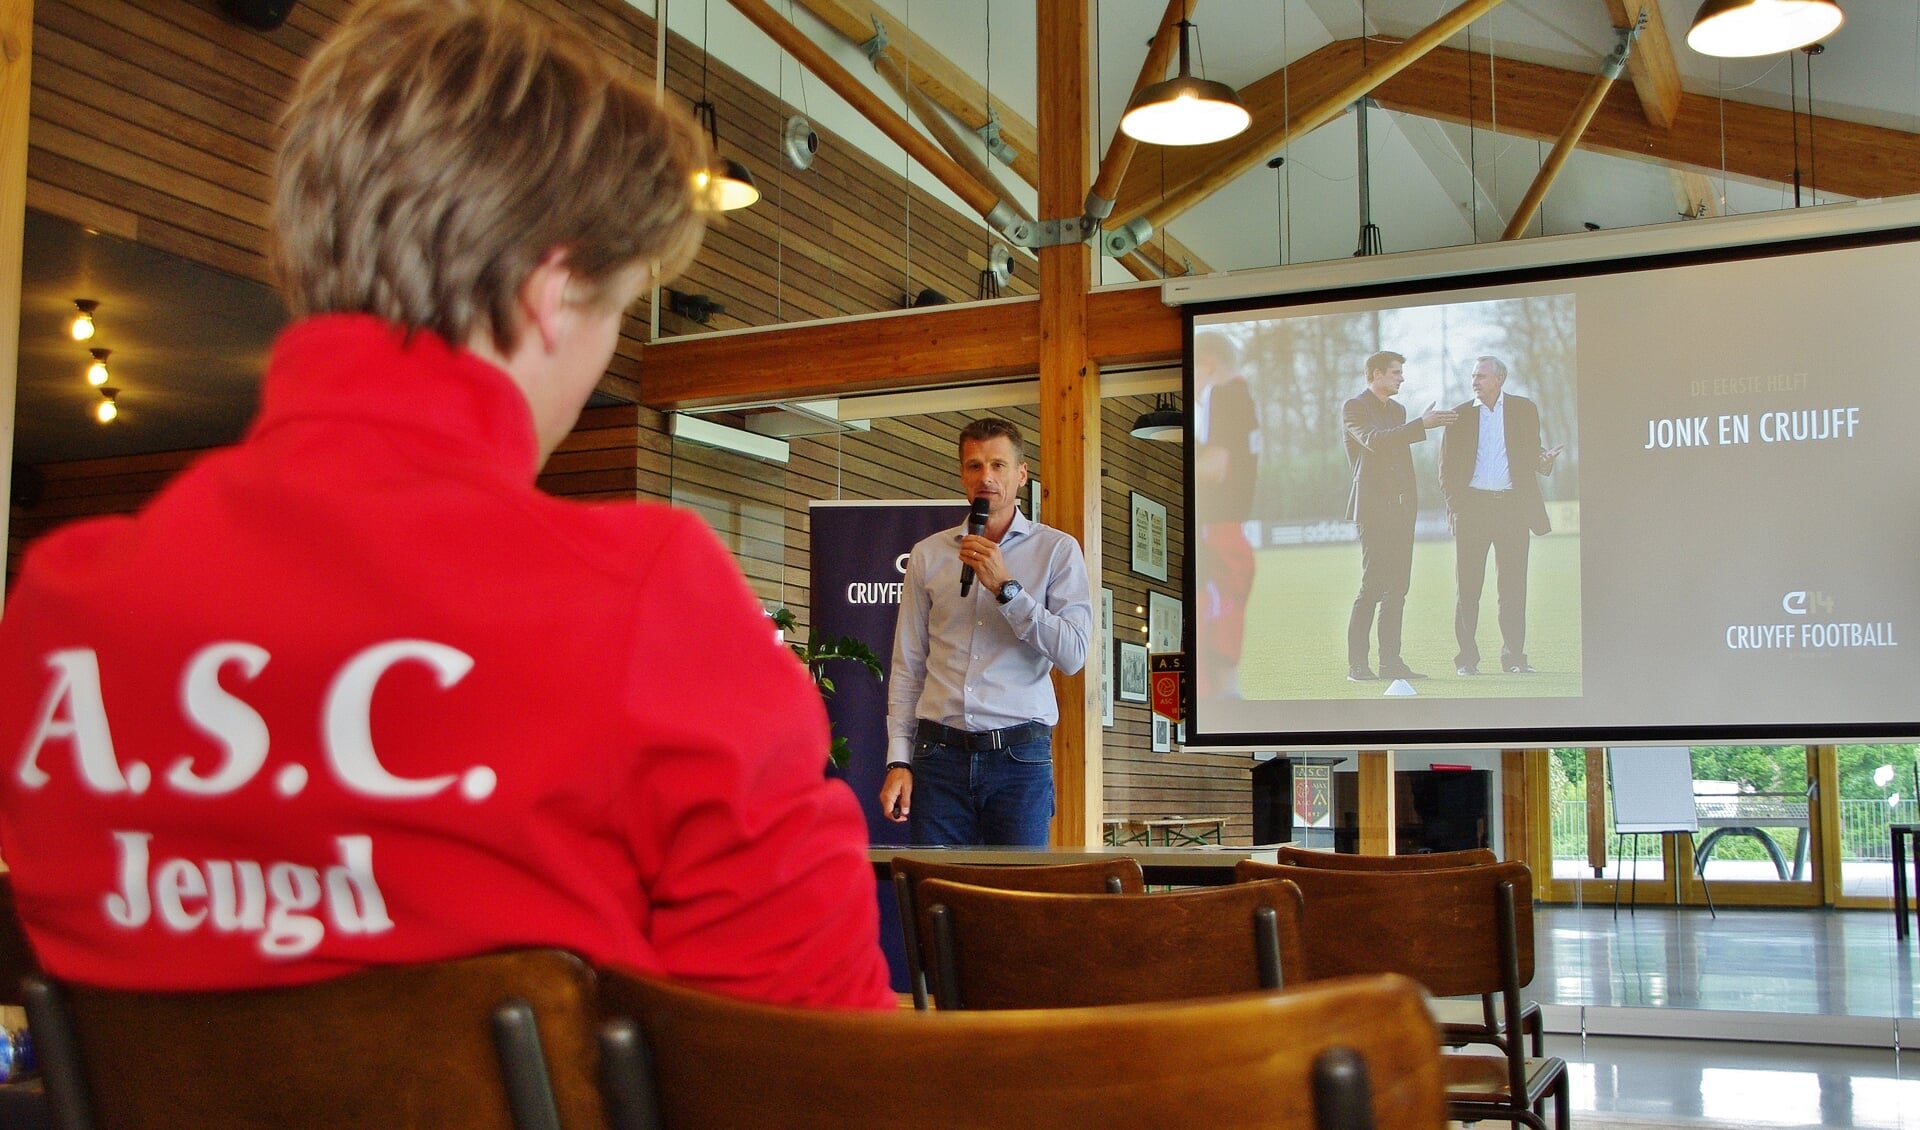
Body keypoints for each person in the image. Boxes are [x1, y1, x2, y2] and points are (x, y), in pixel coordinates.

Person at [0, 0, 892, 1010]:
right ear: (549, 294)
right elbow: (820, 1072)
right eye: (617, 307)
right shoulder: (648, 602)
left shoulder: (59, 612)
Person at [880, 419, 1092, 846]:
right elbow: (908, 664)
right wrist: (898, 760)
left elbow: (1073, 653)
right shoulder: (928, 554)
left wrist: (1007, 589)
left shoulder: (1057, 550)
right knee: (936, 900)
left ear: (1021, 473)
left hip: (1019, 759)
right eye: (974, 466)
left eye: (998, 465)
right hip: (937, 758)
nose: (986, 478)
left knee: (1015, 904)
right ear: (962, 475)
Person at [1439, 356, 1563, 676]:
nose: (1474, 381)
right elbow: (1447, 469)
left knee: (1512, 588)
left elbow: (1530, 455)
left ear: (1499, 379)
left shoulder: (1525, 409)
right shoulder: (1460, 415)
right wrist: (1457, 507)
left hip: (1512, 510)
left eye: (1481, 376)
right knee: (1468, 589)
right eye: (1473, 376)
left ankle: (1514, 659)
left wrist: (1544, 461)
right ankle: (1467, 660)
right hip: (1473, 510)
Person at [1343, 351, 1456, 682]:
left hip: (1401, 510)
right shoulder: (1354, 407)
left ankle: (1391, 663)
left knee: (1398, 588)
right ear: (1376, 374)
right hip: (1373, 510)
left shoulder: (1397, 410)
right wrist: (1421, 425)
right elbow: (1375, 442)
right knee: (1372, 587)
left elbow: (1399, 452)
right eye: (1395, 372)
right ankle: (1358, 667)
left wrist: (1412, 504)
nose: (1401, 378)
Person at [1193, 333, 1259, 700]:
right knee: (1222, 665)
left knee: (1212, 669)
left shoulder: (1222, 393)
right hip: (1233, 538)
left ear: (1208, 363)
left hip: (1217, 539)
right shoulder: (1246, 396)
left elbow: (1215, 468)